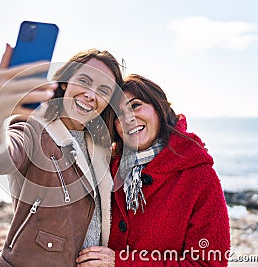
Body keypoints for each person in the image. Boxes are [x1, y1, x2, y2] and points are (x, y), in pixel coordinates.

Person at [0, 44, 123, 266]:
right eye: (84, 81)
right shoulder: (33, 129)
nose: (91, 95)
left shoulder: (104, 148)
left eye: (104, 90)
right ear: (65, 82)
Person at [76, 74, 230, 266]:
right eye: (117, 115)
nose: (128, 119)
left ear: (160, 108)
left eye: (135, 105)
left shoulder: (199, 176)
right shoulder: (106, 170)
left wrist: (122, 263)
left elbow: (208, 263)